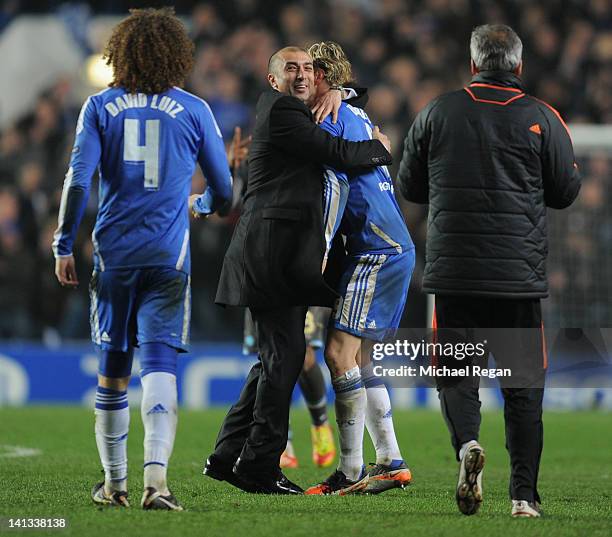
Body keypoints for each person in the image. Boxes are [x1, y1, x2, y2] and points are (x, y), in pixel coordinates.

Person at [53, 8, 233, 510]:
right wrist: (201, 206)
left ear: (121, 52)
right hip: (167, 257)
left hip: (115, 255)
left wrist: (64, 244)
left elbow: (78, 180)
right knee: (159, 366)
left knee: (113, 368)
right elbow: (224, 189)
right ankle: (157, 484)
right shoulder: (196, 109)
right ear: (178, 55)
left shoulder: (99, 107)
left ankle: (115, 486)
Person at [398, 24, 581, 517]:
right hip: (517, 280)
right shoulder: (543, 116)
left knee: (456, 377)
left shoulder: (437, 111)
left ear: (474, 64)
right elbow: (566, 191)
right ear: (518, 66)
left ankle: (467, 447)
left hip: (453, 275)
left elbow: (409, 186)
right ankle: (523, 497)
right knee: (523, 389)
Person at [204, 46, 392, 495]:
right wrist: (379, 148)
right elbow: (335, 150)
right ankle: (258, 466)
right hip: (271, 258)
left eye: (308, 68)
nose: (302, 74)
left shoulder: (289, 108)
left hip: (279, 258)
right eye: (292, 68)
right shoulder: (284, 111)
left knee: (274, 360)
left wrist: (341, 94)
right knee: (285, 360)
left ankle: (227, 456)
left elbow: (342, 102)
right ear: (274, 79)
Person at [303, 42, 415, 496]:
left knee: (336, 355)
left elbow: (335, 186)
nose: (303, 83)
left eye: (311, 75)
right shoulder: (354, 114)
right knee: (361, 358)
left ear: (325, 78)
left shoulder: (332, 116)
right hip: (392, 243)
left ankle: (348, 471)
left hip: (375, 247)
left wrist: (323, 247)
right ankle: (390, 460)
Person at [243, 307, 337, 469]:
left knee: (305, 357)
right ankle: (283, 443)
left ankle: (320, 423)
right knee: (273, 358)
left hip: (305, 289)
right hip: (267, 289)